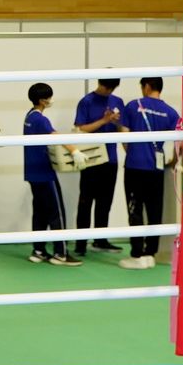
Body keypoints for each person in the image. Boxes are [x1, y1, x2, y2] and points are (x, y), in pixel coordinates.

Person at [119, 77, 181, 270]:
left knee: (135, 209)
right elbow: (180, 142)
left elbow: (123, 134)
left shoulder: (132, 106)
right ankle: (150, 254)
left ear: (146, 87)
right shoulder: (171, 112)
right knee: (155, 210)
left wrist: (133, 152)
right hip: (157, 167)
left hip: (135, 166)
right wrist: (173, 160)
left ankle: (137, 254)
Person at [22, 84, 78, 265]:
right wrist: (75, 151)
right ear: (42, 100)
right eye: (48, 97)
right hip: (45, 173)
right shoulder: (40, 119)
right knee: (56, 212)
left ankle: (38, 250)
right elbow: (56, 136)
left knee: (39, 212)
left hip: (32, 173)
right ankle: (60, 253)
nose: (50, 100)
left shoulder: (28, 117)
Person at [72, 78, 129, 252]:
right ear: (100, 84)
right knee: (85, 202)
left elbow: (123, 128)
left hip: (110, 159)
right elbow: (80, 128)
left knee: (105, 202)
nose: (108, 92)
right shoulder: (86, 101)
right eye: (106, 88)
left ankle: (100, 239)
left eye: (111, 89)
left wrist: (116, 121)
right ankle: (80, 244)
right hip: (91, 159)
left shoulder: (118, 101)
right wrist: (103, 121)